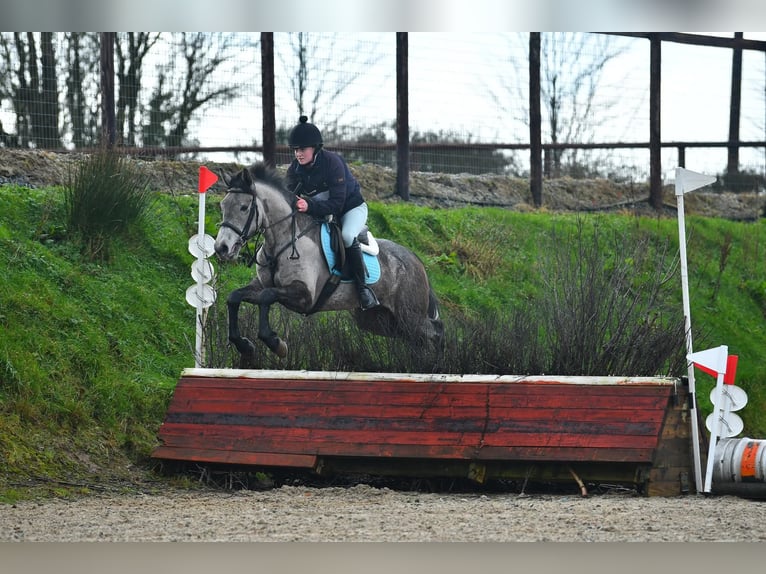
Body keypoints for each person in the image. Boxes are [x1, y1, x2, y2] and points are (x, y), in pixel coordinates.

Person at [285, 115, 380, 311]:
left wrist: (309, 206)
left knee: (346, 236)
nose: (298, 154)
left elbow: (337, 204)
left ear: (315, 148)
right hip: (322, 212)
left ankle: (363, 290)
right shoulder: (295, 168)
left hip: (349, 208)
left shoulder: (333, 163)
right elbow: (288, 196)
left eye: (302, 149)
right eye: (295, 150)